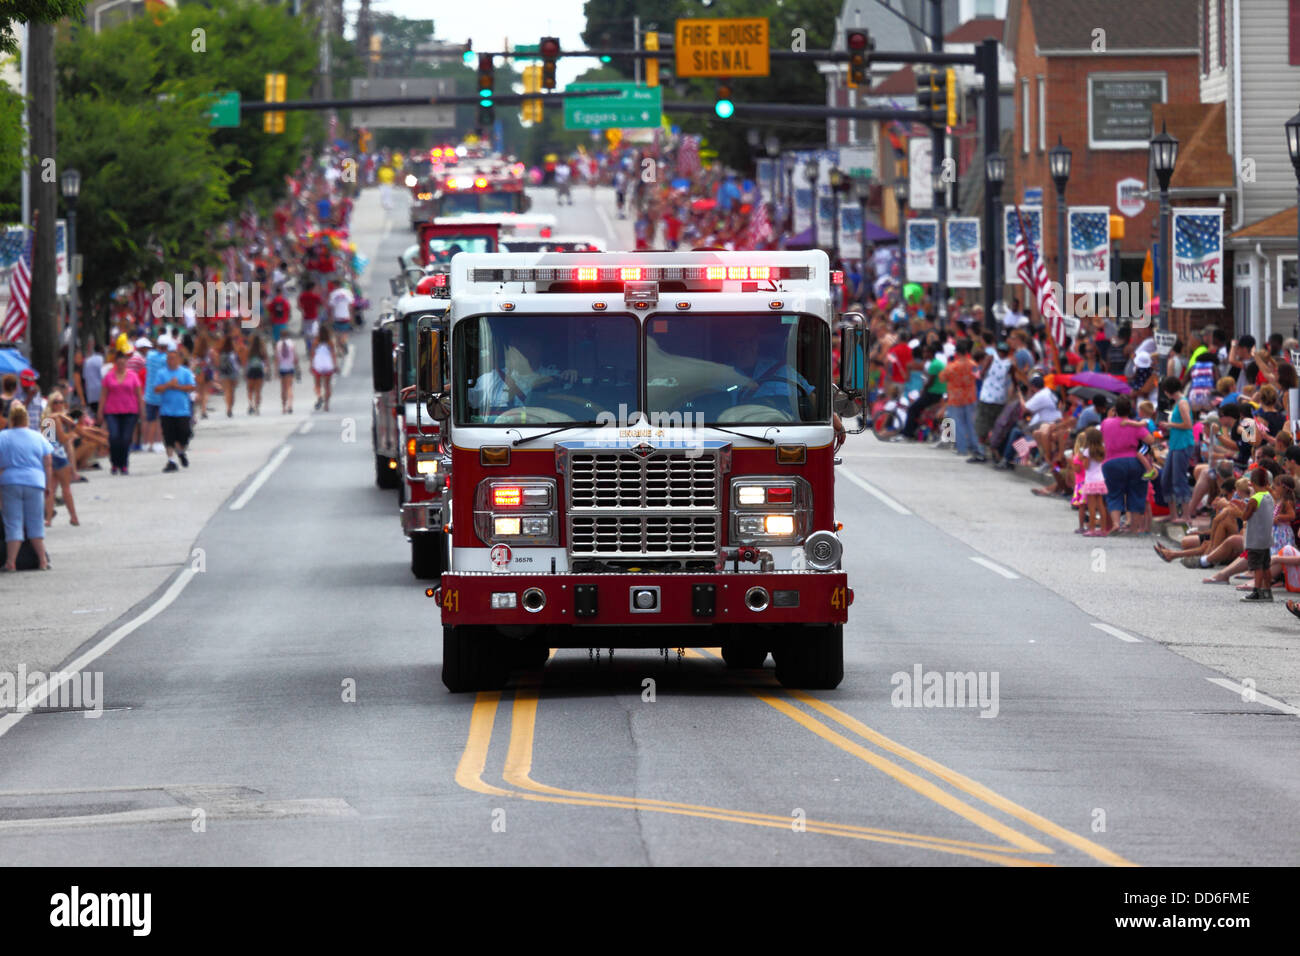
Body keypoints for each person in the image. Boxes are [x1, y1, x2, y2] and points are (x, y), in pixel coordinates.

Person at [0, 402, 53, 570]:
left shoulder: (3, 436)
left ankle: (11, 562)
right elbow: (48, 462)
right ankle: (42, 561)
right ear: (27, 419)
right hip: (35, 481)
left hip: (11, 482)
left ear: (11, 419)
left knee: (13, 522)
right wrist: (48, 485)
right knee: (35, 522)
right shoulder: (38, 436)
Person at [1100, 395, 1155, 535]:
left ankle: (1116, 523)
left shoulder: (1106, 423)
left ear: (1115, 410)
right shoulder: (1133, 424)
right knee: (1136, 493)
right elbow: (1150, 440)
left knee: (1114, 493)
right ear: (1130, 410)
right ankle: (1134, 529)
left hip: (1111, 462)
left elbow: (1103, 434)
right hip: (1133, 461)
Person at [1157, 376, 1195, 522]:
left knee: (1179, 479)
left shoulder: (1182, 403)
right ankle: (1173, 514)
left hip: (1183, 444)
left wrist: (1170, 425)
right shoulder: (1178, 403)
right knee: (1166, 479)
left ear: (1167, 391)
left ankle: (1186, 516)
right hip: (1175, 444)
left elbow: (1188, 424)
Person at [153, 344, 196, 472]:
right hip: (167, 411)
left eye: (173, 358)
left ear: (178, 359)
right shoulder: (162, 373)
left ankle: (181, 451)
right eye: (169, 358)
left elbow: (191, 387)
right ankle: (171, 461)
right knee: (169, 437)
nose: (171, 361)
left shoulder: (185, 372)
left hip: (182, 410)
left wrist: (177, 387)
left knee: (185, 434)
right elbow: (156, 389)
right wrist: (168, 385)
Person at [100, 348, 143, 476]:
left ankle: (124, 464)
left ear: (126, 364)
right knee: (114, 437)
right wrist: (100, 412)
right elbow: (103, 395)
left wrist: (142, 410)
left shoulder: (133, 376)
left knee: (125, 438)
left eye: (123, 363)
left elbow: (139, 394)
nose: (121, 366)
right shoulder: (109, 377)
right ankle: (114, 463)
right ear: (115, 364)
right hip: (112, 411)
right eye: (118, 364)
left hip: (130, 411)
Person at [39, 392, 80, 527]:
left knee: (51, 489)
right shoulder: (56, 419)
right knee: (66, 488)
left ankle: (48, 519)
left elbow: (47, 439)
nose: (59, 404)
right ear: (52, 404)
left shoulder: (46, 418)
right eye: (57, 402)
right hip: (59, 456)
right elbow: (62, 439)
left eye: (61, 401)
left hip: (48, 456)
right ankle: (73, 517)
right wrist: (71, 436)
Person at [1238, 467, 1276, 602]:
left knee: (1257, 566)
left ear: (1252, 483)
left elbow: (1245, 516)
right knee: (1266, 566)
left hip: (1255, 539)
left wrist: (1241, 507)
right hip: (1266, 538)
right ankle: (1267, 591)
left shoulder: (1254, 499)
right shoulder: (1269, 497)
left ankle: (1257, 591)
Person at [938, 338, 978, 456]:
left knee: (958, 424)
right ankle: (975, 448)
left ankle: (962, 449)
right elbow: (978, 376)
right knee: (971, 424)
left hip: (955, 398)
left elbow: (941, 378)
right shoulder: (973, 365)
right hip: (970, 397)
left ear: (957, 352)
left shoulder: (952, 366)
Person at [1078, 427, 1109, 536]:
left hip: (1090, 480)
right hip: (1100, 479)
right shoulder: (1102, 449)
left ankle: (1092, 529)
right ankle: (1103, 529)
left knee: (1091, 506)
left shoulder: (1087, 451)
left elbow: (1086, 466)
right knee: (1101, 505)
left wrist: (1082, 459)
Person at [311, 322, 338, 412]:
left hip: (318, 365)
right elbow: (333, 355)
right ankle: (326, 405)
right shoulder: (330, 342)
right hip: (328, 365)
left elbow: (312, 354)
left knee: (317, 385)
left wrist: (311, 365)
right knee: (327, 386)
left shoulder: (315, 341)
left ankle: (319, 396)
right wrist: (335, 365)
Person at [217, 332, 243, 418]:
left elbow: (218, 363)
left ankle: (228, 407)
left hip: (224, 373)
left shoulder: (221, 351)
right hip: (233, 373)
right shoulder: (234, 351)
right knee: (232, 391)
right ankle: (230, 407)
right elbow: (239, 362)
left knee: (227, 391)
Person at [328, 279, 354, 356]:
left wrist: (330, 317)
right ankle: (343, 342)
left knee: (337, 334)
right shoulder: (347, 292)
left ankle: (339, 350)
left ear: (335, 285)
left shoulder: (333, 294)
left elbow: (331, 307)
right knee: (344, 332)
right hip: (345, 315)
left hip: (336, 316)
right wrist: (351, 315)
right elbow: (351, 305)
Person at [245, 333, 267, 415]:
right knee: (258, 390)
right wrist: (268, 372)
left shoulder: (249, 350)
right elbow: (266, 362)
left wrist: (245, 372)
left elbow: (246, 362)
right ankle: (257, 407)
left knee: (250, 389)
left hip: (251, 371)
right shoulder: (262, 350)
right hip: (259, 371)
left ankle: (251, 405)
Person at [276, 335, 298, 414]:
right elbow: (295, 358)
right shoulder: (292, 343)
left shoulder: (278, 344)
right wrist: (297, 367)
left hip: (282, 368)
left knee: (283, 388)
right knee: (289, 387)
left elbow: (277, 359)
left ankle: (283, 407)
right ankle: (290, 405)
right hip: (290, 368)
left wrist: (276, 370)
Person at [83, 343, 104, 417]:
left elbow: (85, 377)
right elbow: (103, 375)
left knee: (94, 415)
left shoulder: (87, 361)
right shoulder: (102, 360)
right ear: (101, 350)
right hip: (101, 392)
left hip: (90, 393)